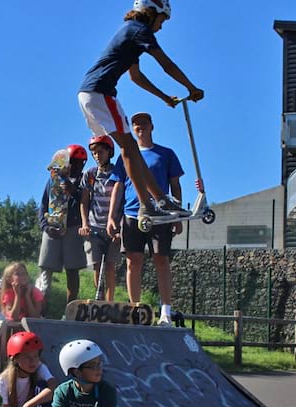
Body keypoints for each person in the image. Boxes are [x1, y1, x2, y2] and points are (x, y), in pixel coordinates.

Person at [77, 0, 203, 220]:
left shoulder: (131, 34)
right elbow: (166, 64)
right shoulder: (140, 30)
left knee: (132, 149)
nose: (161, 26)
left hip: (91, 94)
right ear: (152, 13)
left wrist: (164, 97)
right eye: (162, 20)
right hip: (100, 93)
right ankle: (148, 204)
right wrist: (191, 87)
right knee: (129, 148)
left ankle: (160, 200)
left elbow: (136, 77)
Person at [107, 111, 188, 326]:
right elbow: (118, 185)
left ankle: (165, 312)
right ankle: (136, 309)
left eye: (143, 123)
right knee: (134, 261)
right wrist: (111, 216)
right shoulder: (126, 154)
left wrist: (177, 215)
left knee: (162, 260)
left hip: (160, 216)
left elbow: (176, 185)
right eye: (135, 124)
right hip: (132, 214)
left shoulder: (166, 154)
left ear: (152, 126)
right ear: (132, 129)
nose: (139, 126)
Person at [38, 145, 88, 310]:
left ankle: (70, 310)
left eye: (81, 162)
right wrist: (45, 225)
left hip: (73, 228)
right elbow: (44, 204)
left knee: (72, 270)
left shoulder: (84, 180)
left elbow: (86, 202)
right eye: (73, 162)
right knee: (46, 269)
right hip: (52, 227)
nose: (76, 166)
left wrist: (73, 190)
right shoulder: (52, 180)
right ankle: (41, 309)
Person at [79, 135, 122, 301]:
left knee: (110, 266)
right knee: (97, 265)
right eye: (94, 153)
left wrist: (120, 227)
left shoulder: (118, 173)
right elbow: (84, 201)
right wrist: (85, 223)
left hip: (113, 228)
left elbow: (122, 200)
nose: (97, 155)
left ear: (109, 152)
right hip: (94, 226)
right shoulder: (90, 174)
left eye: (101, 152)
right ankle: (100, 300)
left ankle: (109, 302)